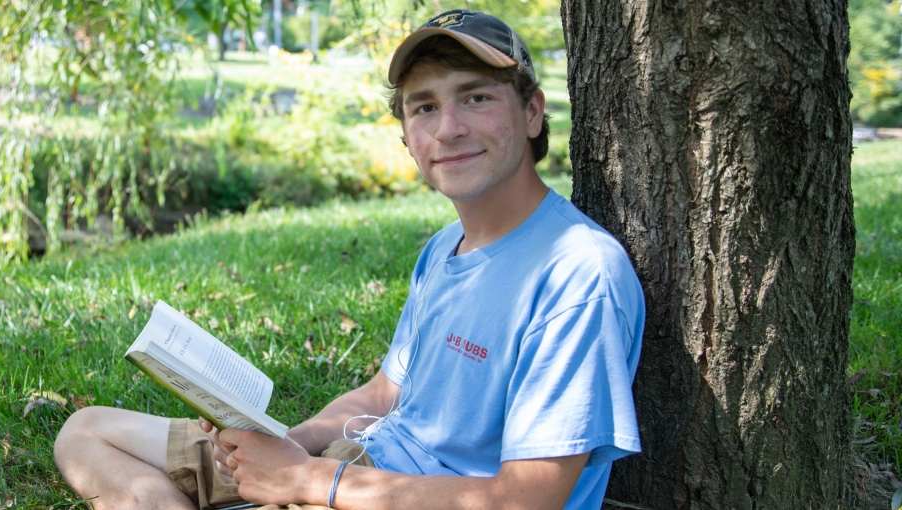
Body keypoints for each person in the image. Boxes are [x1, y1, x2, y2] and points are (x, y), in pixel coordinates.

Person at [54, 9, 645, 510]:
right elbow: (382, 396)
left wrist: (308, 480)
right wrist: (285, 443)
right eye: (423, 107)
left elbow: (526, 498)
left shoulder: (576, 271)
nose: (449, 128)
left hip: (397, 495)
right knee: (86, 434)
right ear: (407, 137)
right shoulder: (444, 250)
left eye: (476, 97)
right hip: (357, 470)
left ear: (533, 112)